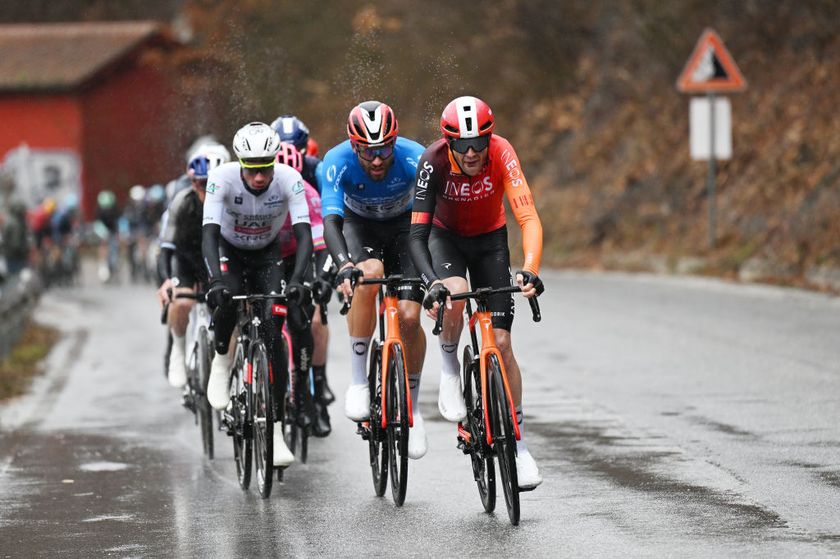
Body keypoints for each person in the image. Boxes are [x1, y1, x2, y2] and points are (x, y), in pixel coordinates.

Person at [408, 95, 545, 489]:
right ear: (448, 142)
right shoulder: (432, 161)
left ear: (489, 138)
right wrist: (430, 281)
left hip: (490, 240)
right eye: (462, 144)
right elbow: (417, 235)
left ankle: (518, 448)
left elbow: (528, 216)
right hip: (444, 238)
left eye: (479, 143)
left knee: (501, 343)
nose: (471, 152)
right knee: (455, 293)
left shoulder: (502, 153)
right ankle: (450, 368)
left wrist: (531, 269)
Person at [319, 100, 429, 459]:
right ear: (354, 146)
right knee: (369, 275)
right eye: (368, 151)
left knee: (410, 318)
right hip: (358, 227)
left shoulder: (416, 157)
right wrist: (342, 264)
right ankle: (358, 381)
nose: (378, 159)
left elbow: (438, 213)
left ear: (395, 141)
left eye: (384, 149)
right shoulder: (336, 162)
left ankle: (413, 405)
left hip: (405, 229)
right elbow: (332, 223)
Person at [202, 122, 313, 468]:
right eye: (253, 169)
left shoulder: (288, 178)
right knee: (228, 298)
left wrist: (296, 280)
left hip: (268, 255)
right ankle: (221, 359)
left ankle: (276, 428)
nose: (260, 176)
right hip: (230, 252)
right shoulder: (221, 178)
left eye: (266, 166)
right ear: (241, 164)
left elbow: (304, 236)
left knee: (274, 330)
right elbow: (208, 234)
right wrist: (214, 281)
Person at [276, 142, 334, 437]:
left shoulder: (308, 195)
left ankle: (310, 392)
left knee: (311, 319)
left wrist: (321, 281)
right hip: (267, 256)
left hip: (300, 256)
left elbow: (323, 248)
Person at [157, 152, 224, 388]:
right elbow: (166, 249)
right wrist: (166, 281)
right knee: (181, 302)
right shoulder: (181, 203)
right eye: (200, 183)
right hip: (185, 259)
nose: (206, 189)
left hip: (216, 260)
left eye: (210, 183)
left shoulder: (228, 199)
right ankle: (178, 346)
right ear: (192, 182)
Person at [271, 115, 322, 189]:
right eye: (282, 149)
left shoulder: (316, 167)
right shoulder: (315, 166)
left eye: (296, 149)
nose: (289, 154)